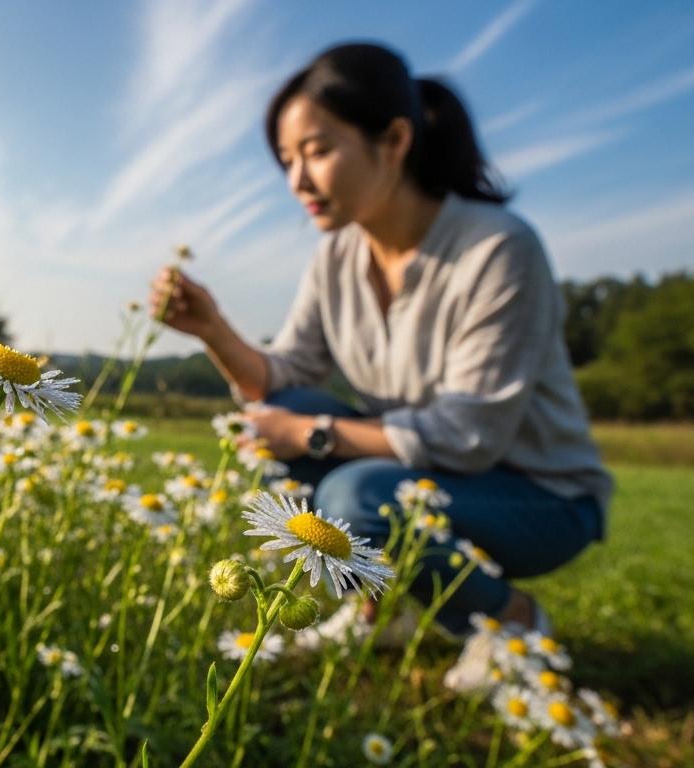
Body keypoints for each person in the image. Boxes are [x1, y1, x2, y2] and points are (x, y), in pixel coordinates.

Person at [148, 42, 612, 679]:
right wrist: (213, 331)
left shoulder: (498, 249)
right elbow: (280, 380)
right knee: (282, 421)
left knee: (353, 491)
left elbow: (469, 437)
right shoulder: (336, 257)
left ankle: (512, 620)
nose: (297, 181)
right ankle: (380, 608)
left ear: (394, 140)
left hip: (541, 496)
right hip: (419, 474)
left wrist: (315, 434)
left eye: (317, 151)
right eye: (287, 160)